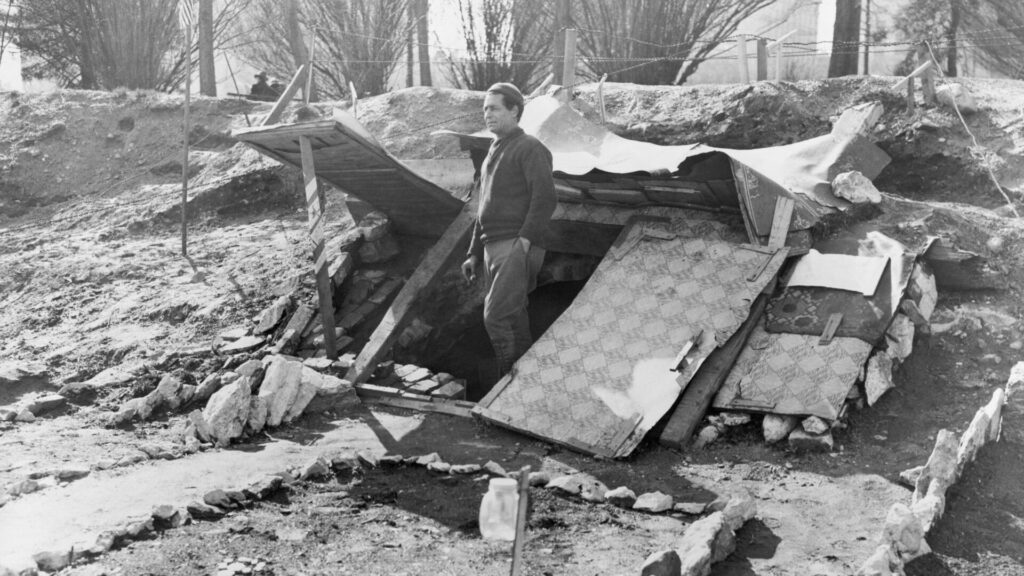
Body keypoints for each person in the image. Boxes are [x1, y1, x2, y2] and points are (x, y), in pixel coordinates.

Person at [461, 83, 557, 375]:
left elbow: (545, 198)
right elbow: (483, 209)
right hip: (493, 248)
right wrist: (473, 253)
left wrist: (524, 242)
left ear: (514, 110)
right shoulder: (493, 150)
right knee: (514, 317)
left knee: (496, 317)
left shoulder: (529, 147)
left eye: (494, 108)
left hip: (515, 244)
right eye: (484, 110)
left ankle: (506, 379)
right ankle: (526, 380)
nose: (487, 115)